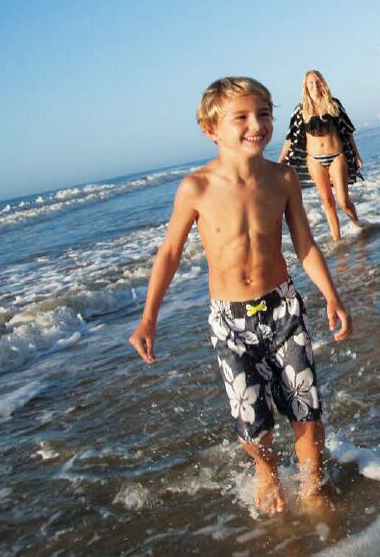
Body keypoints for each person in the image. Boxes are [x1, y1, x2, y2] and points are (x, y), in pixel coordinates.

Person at [129, 77, 353, 515]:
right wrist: (148, 318)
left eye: (264, 114)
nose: (258, 124)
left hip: (284, 307)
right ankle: (266, 468)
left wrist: (331, 296)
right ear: (211, 129)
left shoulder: (283, 177)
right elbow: (170, 253)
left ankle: (313, 487)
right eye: (243, 117)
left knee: (305, 407)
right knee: (253, 422)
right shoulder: (197, 188)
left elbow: (304, 243)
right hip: (230, 321)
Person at [278, 70, 364, 241]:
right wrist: (280, 160)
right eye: (310, 83)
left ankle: (357, 225)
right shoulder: (301, 109)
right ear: (306, 87)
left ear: (322, 83)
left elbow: (347, 132)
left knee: (343, 201)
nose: (314, 86)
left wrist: (356, 154)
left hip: (337, 156)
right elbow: (291, 137)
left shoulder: (333, 104)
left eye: (317, 82)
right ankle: (337, 239)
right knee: (327, 201)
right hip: (314, 160)